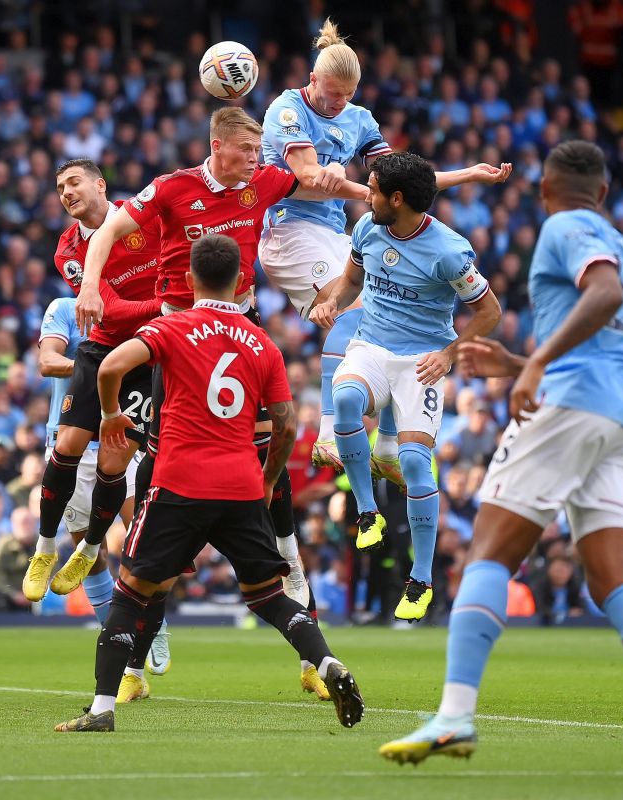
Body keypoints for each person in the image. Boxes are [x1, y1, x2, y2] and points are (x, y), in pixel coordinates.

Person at [380, 141, 623, 780]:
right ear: (603, 189)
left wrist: (535, 364)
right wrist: (518, 361)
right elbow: (605, 328)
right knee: (613, 579)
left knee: (487, 554)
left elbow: (604, 297)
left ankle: (455, 713)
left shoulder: (567, 227)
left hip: (570, 408)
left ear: (544, 190)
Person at [63, 107, 371, 698]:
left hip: (233, 321)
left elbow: (323, 181)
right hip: (175, 336)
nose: (257, 159)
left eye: (260, 148)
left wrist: (382, 193)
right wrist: (90, 287)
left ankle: (304, 654)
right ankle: (132, 650)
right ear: (217, 146)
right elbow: (105, 232)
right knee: (158, 474)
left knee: (261, 491)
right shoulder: (175, 187)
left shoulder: (265, 182)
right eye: (246, 149)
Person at [261, 18, 511, 475]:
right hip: (289, 230)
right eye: (332, 93)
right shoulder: (287, 110)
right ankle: (331, 434)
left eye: (348, 95)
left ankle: (390, 446)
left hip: (332, 234)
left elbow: (404, 181)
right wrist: (366, 191)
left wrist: (468, 174)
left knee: (388, 320)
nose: (340, 103)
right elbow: (309, 176)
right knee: (357, 313)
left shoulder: (360, 120)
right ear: (312, 80)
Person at [311, 152, 501, 620]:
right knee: (346, 397)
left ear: (397, 199)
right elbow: (352, 281)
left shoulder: (450, 251)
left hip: (422, 361)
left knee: (416, 464)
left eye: (373, 190)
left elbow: (490, 312)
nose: (366, 195)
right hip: (372, 345)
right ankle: (366, 512)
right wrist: (333, 300)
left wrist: (450, 352)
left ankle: (421, 580)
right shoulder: (367, 230)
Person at [22, 159, 159, 632]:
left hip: (150, 357)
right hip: (104, 350)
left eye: (74, 182)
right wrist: (165, 306)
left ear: (101, 184)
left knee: (113, 462)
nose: (66, 192)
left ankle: (91, 546)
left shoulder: (146, 219)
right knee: (65, 445)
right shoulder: (68, 251)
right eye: (59, 187)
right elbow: (111, 308)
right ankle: (44, 549)